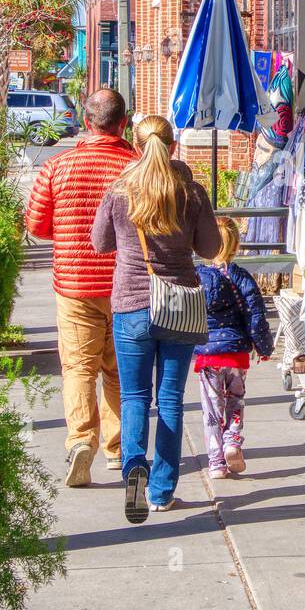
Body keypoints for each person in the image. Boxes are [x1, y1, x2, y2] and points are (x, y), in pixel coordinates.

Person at [91, 115, 221, 523]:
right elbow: (212, 247)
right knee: (169, 400)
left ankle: (133, 468)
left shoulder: (119, 191)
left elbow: (99, 243)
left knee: (134, 398)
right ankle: (161, 491)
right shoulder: (191, 193)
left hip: (130, 303)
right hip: (179, 306)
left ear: (135, 145)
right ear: (174, 147)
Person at [25, 88, 135, 488]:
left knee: (77, 367)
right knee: (119, 369)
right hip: (126, 286)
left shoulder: (57, 166)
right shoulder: (136, 166)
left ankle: (80, 441)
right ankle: (118, 447)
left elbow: (36, 225)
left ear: (87, 122)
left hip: (74, 286)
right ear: (123, 122)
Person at [195, 217, 275, 479]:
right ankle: (232, 441)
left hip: (208, 356)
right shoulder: (242, 278)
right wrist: (263, 347)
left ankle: (216, 461)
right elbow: (256, 316)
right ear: (236, 245)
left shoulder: (198, 279)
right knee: (235, 401)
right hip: (237, 354)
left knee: (212, 408)